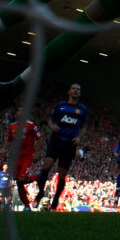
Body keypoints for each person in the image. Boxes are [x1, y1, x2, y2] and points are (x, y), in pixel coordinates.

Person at [34, 83, 88, 211]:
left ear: (80, 93)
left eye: (78, 89)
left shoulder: (83, 109)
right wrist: (52, 126)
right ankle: (40, 192)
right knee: (46, 165)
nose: (75, 91)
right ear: (69, 91)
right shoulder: (61, 106)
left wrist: (79, 138)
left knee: (62, 175)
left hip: (70, 144)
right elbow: (50, 120)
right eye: (73, 88)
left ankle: (56, 199)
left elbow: (83, 127)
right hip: (56, 140)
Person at [6, 106, 43, 210]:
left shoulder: (31, 125)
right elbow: (9, 140)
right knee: (19, 182)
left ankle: (38, 176)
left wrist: (37, 153)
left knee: (22, 179)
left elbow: (40, 139)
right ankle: (27, 206)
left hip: (27, 156)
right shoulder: (12, 126)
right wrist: (4, 149)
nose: (20, 113)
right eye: (18, 111)